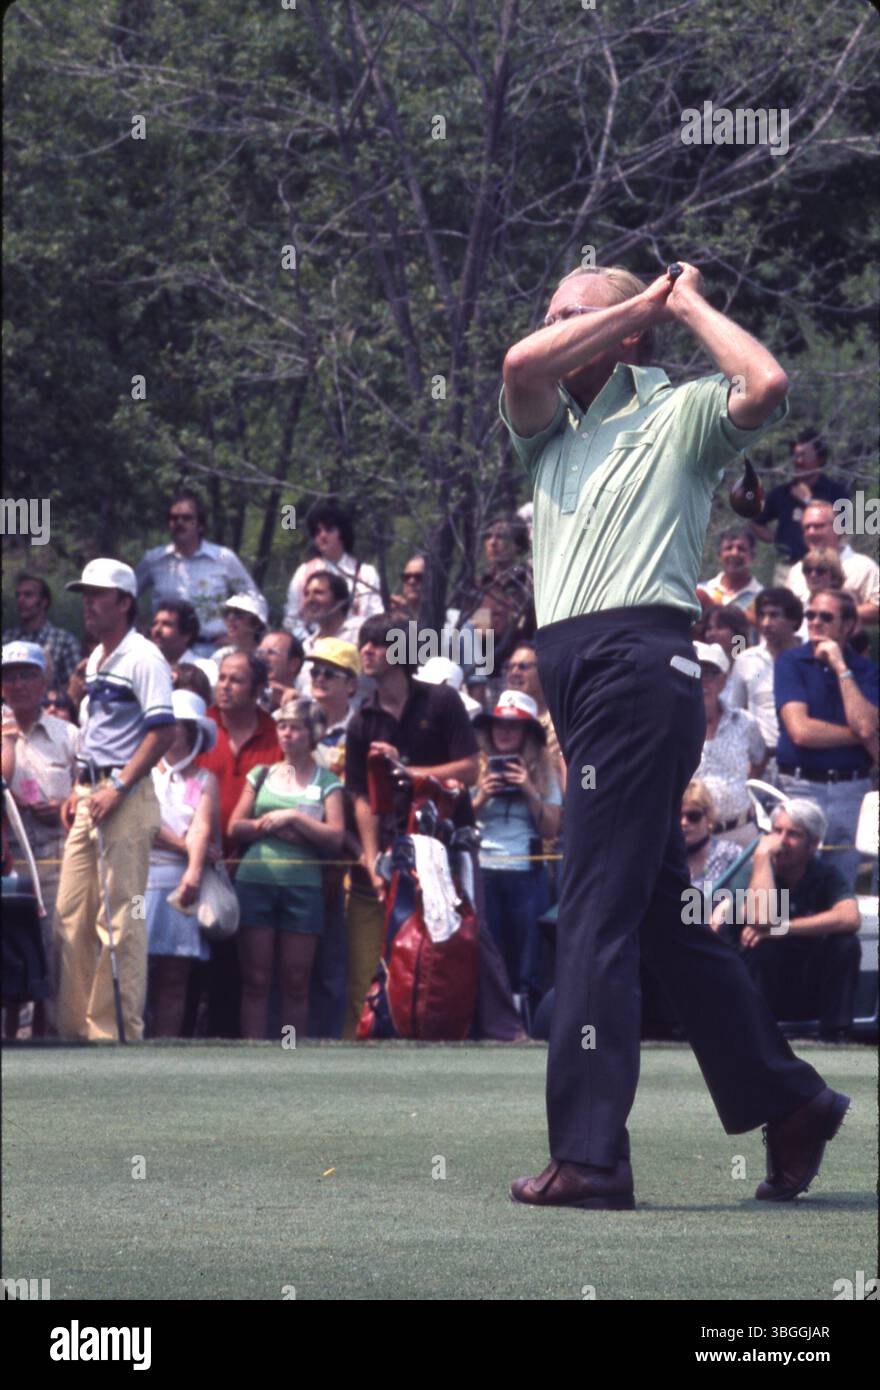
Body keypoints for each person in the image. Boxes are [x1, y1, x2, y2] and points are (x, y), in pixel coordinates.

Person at [500, 259, 847, 1209]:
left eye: (573, 312)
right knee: (655, 914)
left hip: (635, 662)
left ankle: (592, 1156)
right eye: (549, 307)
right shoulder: (545, 423)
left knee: (595, 913)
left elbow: (767, 385)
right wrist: (625, 308)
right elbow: (520, 363)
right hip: (580, 675)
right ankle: (792, 1100)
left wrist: (680, 300)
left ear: (626, 336)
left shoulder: (680, 409)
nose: (550, 323)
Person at [342, 614, 524, 1042]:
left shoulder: (442, 702)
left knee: (465, 928)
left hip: (448, 839)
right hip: (393, 843)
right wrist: (370, 859)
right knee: (397, 934)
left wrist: (406, 769)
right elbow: (361, 798)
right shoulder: (361, 721)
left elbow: (470, 769)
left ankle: (503, 1028)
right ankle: (393, 1023)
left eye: (380, 643)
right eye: (364, 643)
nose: (367, 650)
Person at [54, 560, 175, 1041]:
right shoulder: (101, 658)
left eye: (97, 594)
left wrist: (118, 786)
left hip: (124, 794)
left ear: (124, 602)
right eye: (84, 593)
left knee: (122, 916)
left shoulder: (144, 656)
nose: (87, 602)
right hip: (91, 791)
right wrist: (78, 787)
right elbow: (98, 732)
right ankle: (74, 1029)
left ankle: (117, 1033)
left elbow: (164, 731)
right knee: (72, 913)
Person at [228, 699, 344, 1041]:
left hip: (303, 886)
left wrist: (294, 818)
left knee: (296, 983)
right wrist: (269, 825)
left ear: (313, 734)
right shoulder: (261, 774)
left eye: (296, 727)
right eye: (282, 726)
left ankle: (290, 1047)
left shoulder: (327, 781)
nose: (287, 733)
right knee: (256, 980)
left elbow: (335, 837)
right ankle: (254, 1052)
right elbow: (236, 826)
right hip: (255, 880)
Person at [194, 651, 283, 1037]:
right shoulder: (199, 726)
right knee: (191, 969)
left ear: (259, 689)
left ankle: (249, 1048)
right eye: (222, 678)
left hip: (253, 868)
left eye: (237, 680)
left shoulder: (277, 735)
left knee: (247, 973)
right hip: (196, 864)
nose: (225, 686)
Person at [774, 588, 878, 889]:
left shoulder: (866, 672)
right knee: (792, 881)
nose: (814, 622)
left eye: (825, 617)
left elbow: (864, 724)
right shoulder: (791, 662)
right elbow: (801, 732)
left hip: (850, 792)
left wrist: (841, 667)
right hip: (800, 786)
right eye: (811, 614)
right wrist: (862, 737)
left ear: (848, 626)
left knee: (842, 885)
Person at [471, 691, 562, 1026]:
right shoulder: (478, 766)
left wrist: (528, 789)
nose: (504, 732)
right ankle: (493, 1025)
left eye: (513, 726)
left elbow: (552, 827)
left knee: (528, 959)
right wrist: (481, 795)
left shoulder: (543, 771)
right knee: (489, 954)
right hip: (485, 869)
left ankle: (528, 1024)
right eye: (499, 725)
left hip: (526, 871)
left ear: (527, 733)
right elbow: (460, 821)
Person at [1, 642, 78, 1035]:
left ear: (45, 680)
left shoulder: (68, 736)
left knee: (53, 950)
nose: (17, 683)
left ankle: (51, 1036)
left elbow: (90, 793)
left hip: (54, 857)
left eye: (27, 673)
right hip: (7, 858)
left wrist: (66, 804)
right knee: (7, 956)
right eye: (8, 675)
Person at [738, 800, 861, 1043]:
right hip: (764, 986)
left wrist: (785, 928)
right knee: (761, 943)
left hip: (808, 984)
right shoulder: (752, 873)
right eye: (777, 831)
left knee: (846, 943)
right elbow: (762, 919)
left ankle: (836, 1034)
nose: (782, 840)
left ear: (812, 845)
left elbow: (850, 917)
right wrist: (762, 858)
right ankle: (760, 1035)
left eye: (793, 834)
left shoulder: (825, 874)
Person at [145, 692, 221, 1037]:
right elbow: (144, 825)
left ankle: (164, 1049)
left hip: (180, 887)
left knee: (175, 974)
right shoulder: (139, 772)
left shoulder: (205, 780)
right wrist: (192, 849)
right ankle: (127, 1045)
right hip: (138, 885)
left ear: (192, 732)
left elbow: (203, 826)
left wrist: (193, 868)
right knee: (130, 968)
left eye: (177, 724)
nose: (170, 730)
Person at [136, 489, 265, 654]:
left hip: (211, 650)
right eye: (174, 518)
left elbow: (254, 599)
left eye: (187, 518)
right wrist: (138, 629)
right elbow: (126, 597)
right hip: (164, 651)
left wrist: (240, 637)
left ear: (200, 524)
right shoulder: (154, 560)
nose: (179, 522)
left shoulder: (223, 558)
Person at [725, 588, 803, 780]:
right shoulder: (745, 660)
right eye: (762, 616)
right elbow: (734, 713)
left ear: (793, 619)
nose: (766, 623)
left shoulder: (809, 659)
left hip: (801, 762)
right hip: (759, 763)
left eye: (774, 615)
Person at [693, 641, 766, 846]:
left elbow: (759, 759)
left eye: (709, 674)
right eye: (696, 672)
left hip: (740, 831)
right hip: (691, 834)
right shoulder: (673, 725)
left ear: (723, 680)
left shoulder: (745, 722)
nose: (702, 681)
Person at [751, 432, 849, 574]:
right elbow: (755, 522)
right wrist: (779, 540)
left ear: (820, 459)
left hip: (826, 567)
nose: (798, 461)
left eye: (803, 455)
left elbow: (846, 528)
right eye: (795, 455)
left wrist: (808, 501)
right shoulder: (782, 493)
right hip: (788, 568)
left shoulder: (836, 492)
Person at [283, 499, 383, 638]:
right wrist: (308, 641)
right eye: (317, 532)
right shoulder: (303, 573)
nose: (322, 536)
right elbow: (291, 618)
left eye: (329, 530)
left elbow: (376, 616)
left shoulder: (366, 573)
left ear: (342, 532)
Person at [786, 500, 879, 626]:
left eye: (818, 526)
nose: (811, 532)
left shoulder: (863, 567)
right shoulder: (797, 571)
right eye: (807, 527)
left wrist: (834, 614)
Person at [3, 573, 81, 691]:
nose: (21, 600)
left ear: (44, 602)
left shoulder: (64, 641)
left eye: (28, 595)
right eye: (18, 595)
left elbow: (76, 687)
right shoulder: (7, 639)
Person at [150, 600, 218, 691]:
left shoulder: (206, 669)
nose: (157, 630)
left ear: (186, 635)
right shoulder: (146, 667)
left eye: (166, 624)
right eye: (155, 624)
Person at [699, 527, 763, 613]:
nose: (734, 553)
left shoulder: (761, 597)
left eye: (741, 549)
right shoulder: (702, 591)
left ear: (752, 556)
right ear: (719, 555)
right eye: (728, 548)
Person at [210, 593, 269, 666]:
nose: (230, 618)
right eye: (227, 613)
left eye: (238, 614)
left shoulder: (266, 658)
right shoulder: (220, 656)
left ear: (257, 623)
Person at [257, 631, 306, 712]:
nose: (263, 658)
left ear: (293, 664)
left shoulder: (302, 708)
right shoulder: (247, 699)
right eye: (260, 652)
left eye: (272, 653)